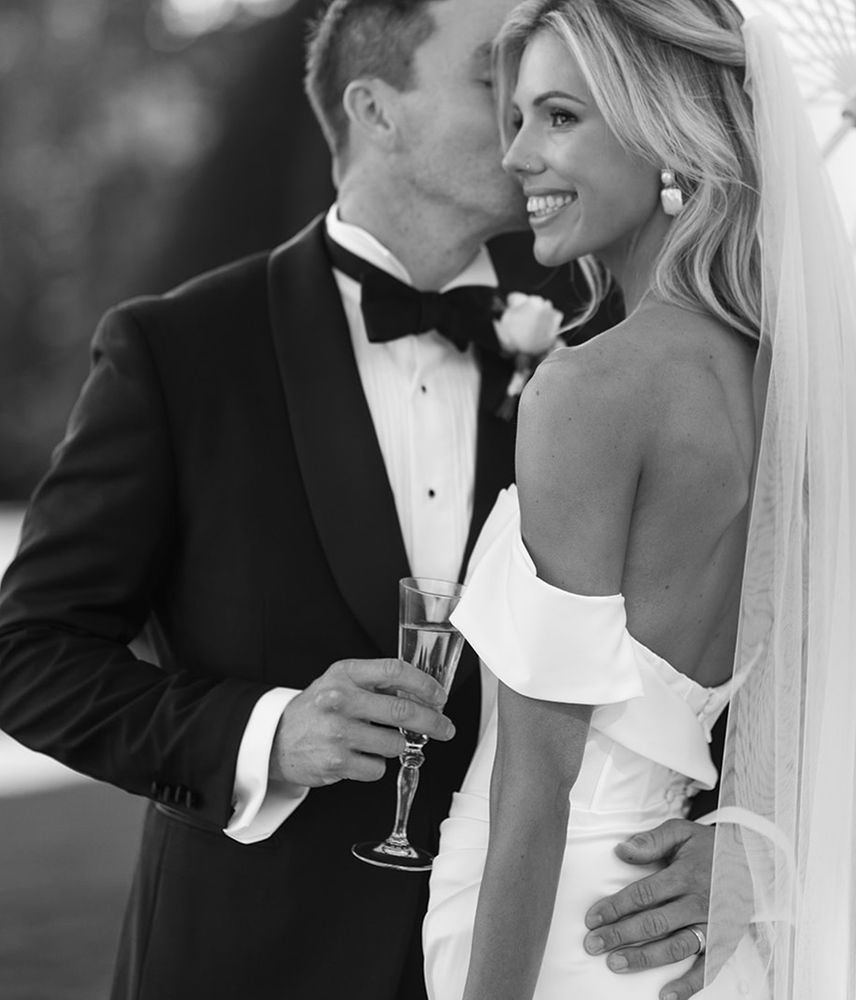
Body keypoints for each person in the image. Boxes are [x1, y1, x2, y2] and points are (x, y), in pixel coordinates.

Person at [0, 1, 718, 998]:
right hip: (247, 963)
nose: (524, 120)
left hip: (537, 945)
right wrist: (268, 732)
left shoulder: (594, 364)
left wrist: (730, 836)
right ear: (376, 110)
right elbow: (28, 653)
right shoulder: (180, 352)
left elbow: (697, 635)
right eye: (489, 80)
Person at [422, 1, 856, 999]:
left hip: (566, 929)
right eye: (514, 120)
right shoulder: (796, 405)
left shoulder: (590, 390)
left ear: (663, 134)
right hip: (692, 932)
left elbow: (533, 789)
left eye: (557, 118)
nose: (517, 157)